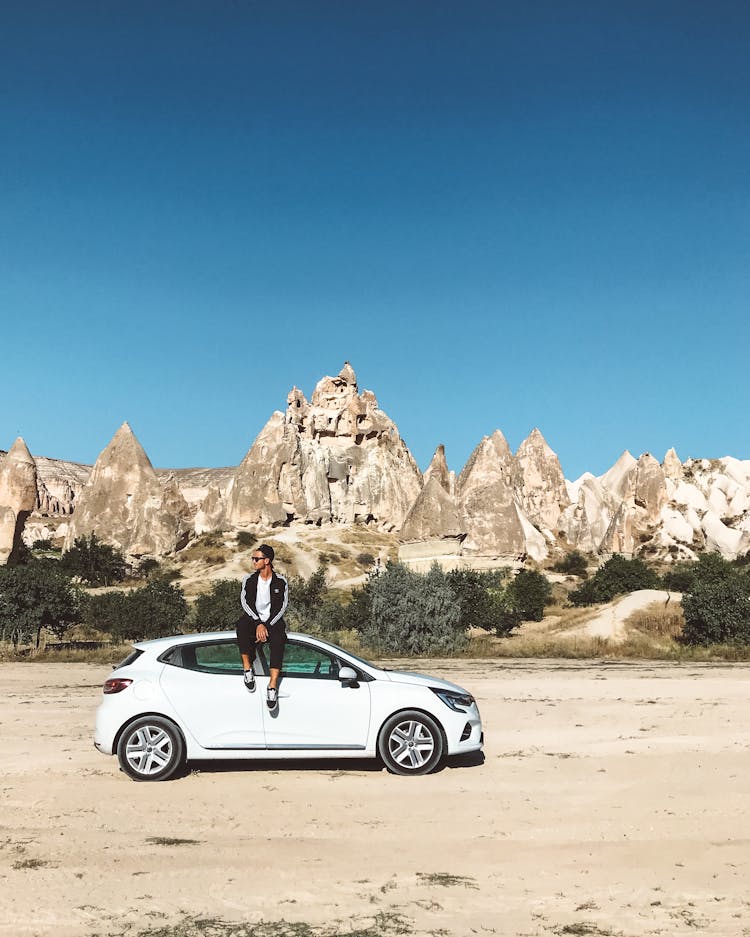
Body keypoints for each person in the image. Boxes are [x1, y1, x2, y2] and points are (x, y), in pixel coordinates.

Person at [235, 544, 289, 709]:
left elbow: (282, 607)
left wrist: (267, 625)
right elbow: (245, 602)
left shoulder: (281, 581)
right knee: (241, 627)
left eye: (256, 559)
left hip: (273, 622)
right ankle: (247, 670)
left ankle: (272, 686)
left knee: (278, 641)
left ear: (267, 561)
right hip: (253, 619)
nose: (253, 562)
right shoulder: (249, 580)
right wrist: (258, 623)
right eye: (252, 558)